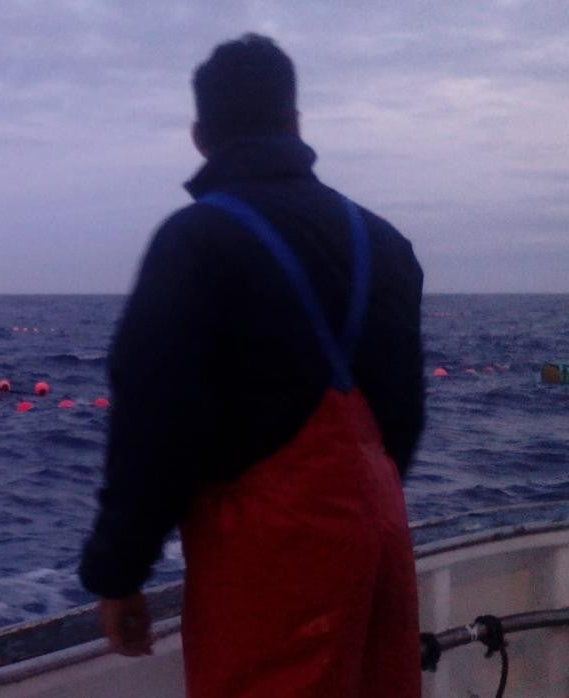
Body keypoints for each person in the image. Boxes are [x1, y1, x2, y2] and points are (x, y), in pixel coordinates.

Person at [78, 34, 425, 696]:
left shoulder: (195, 241)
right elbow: (401, 421)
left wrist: (118, 574)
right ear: (296, 123)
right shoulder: (387, 245)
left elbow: (152, 428)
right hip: (380, 549)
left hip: (273, 569)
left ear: (200, 135)